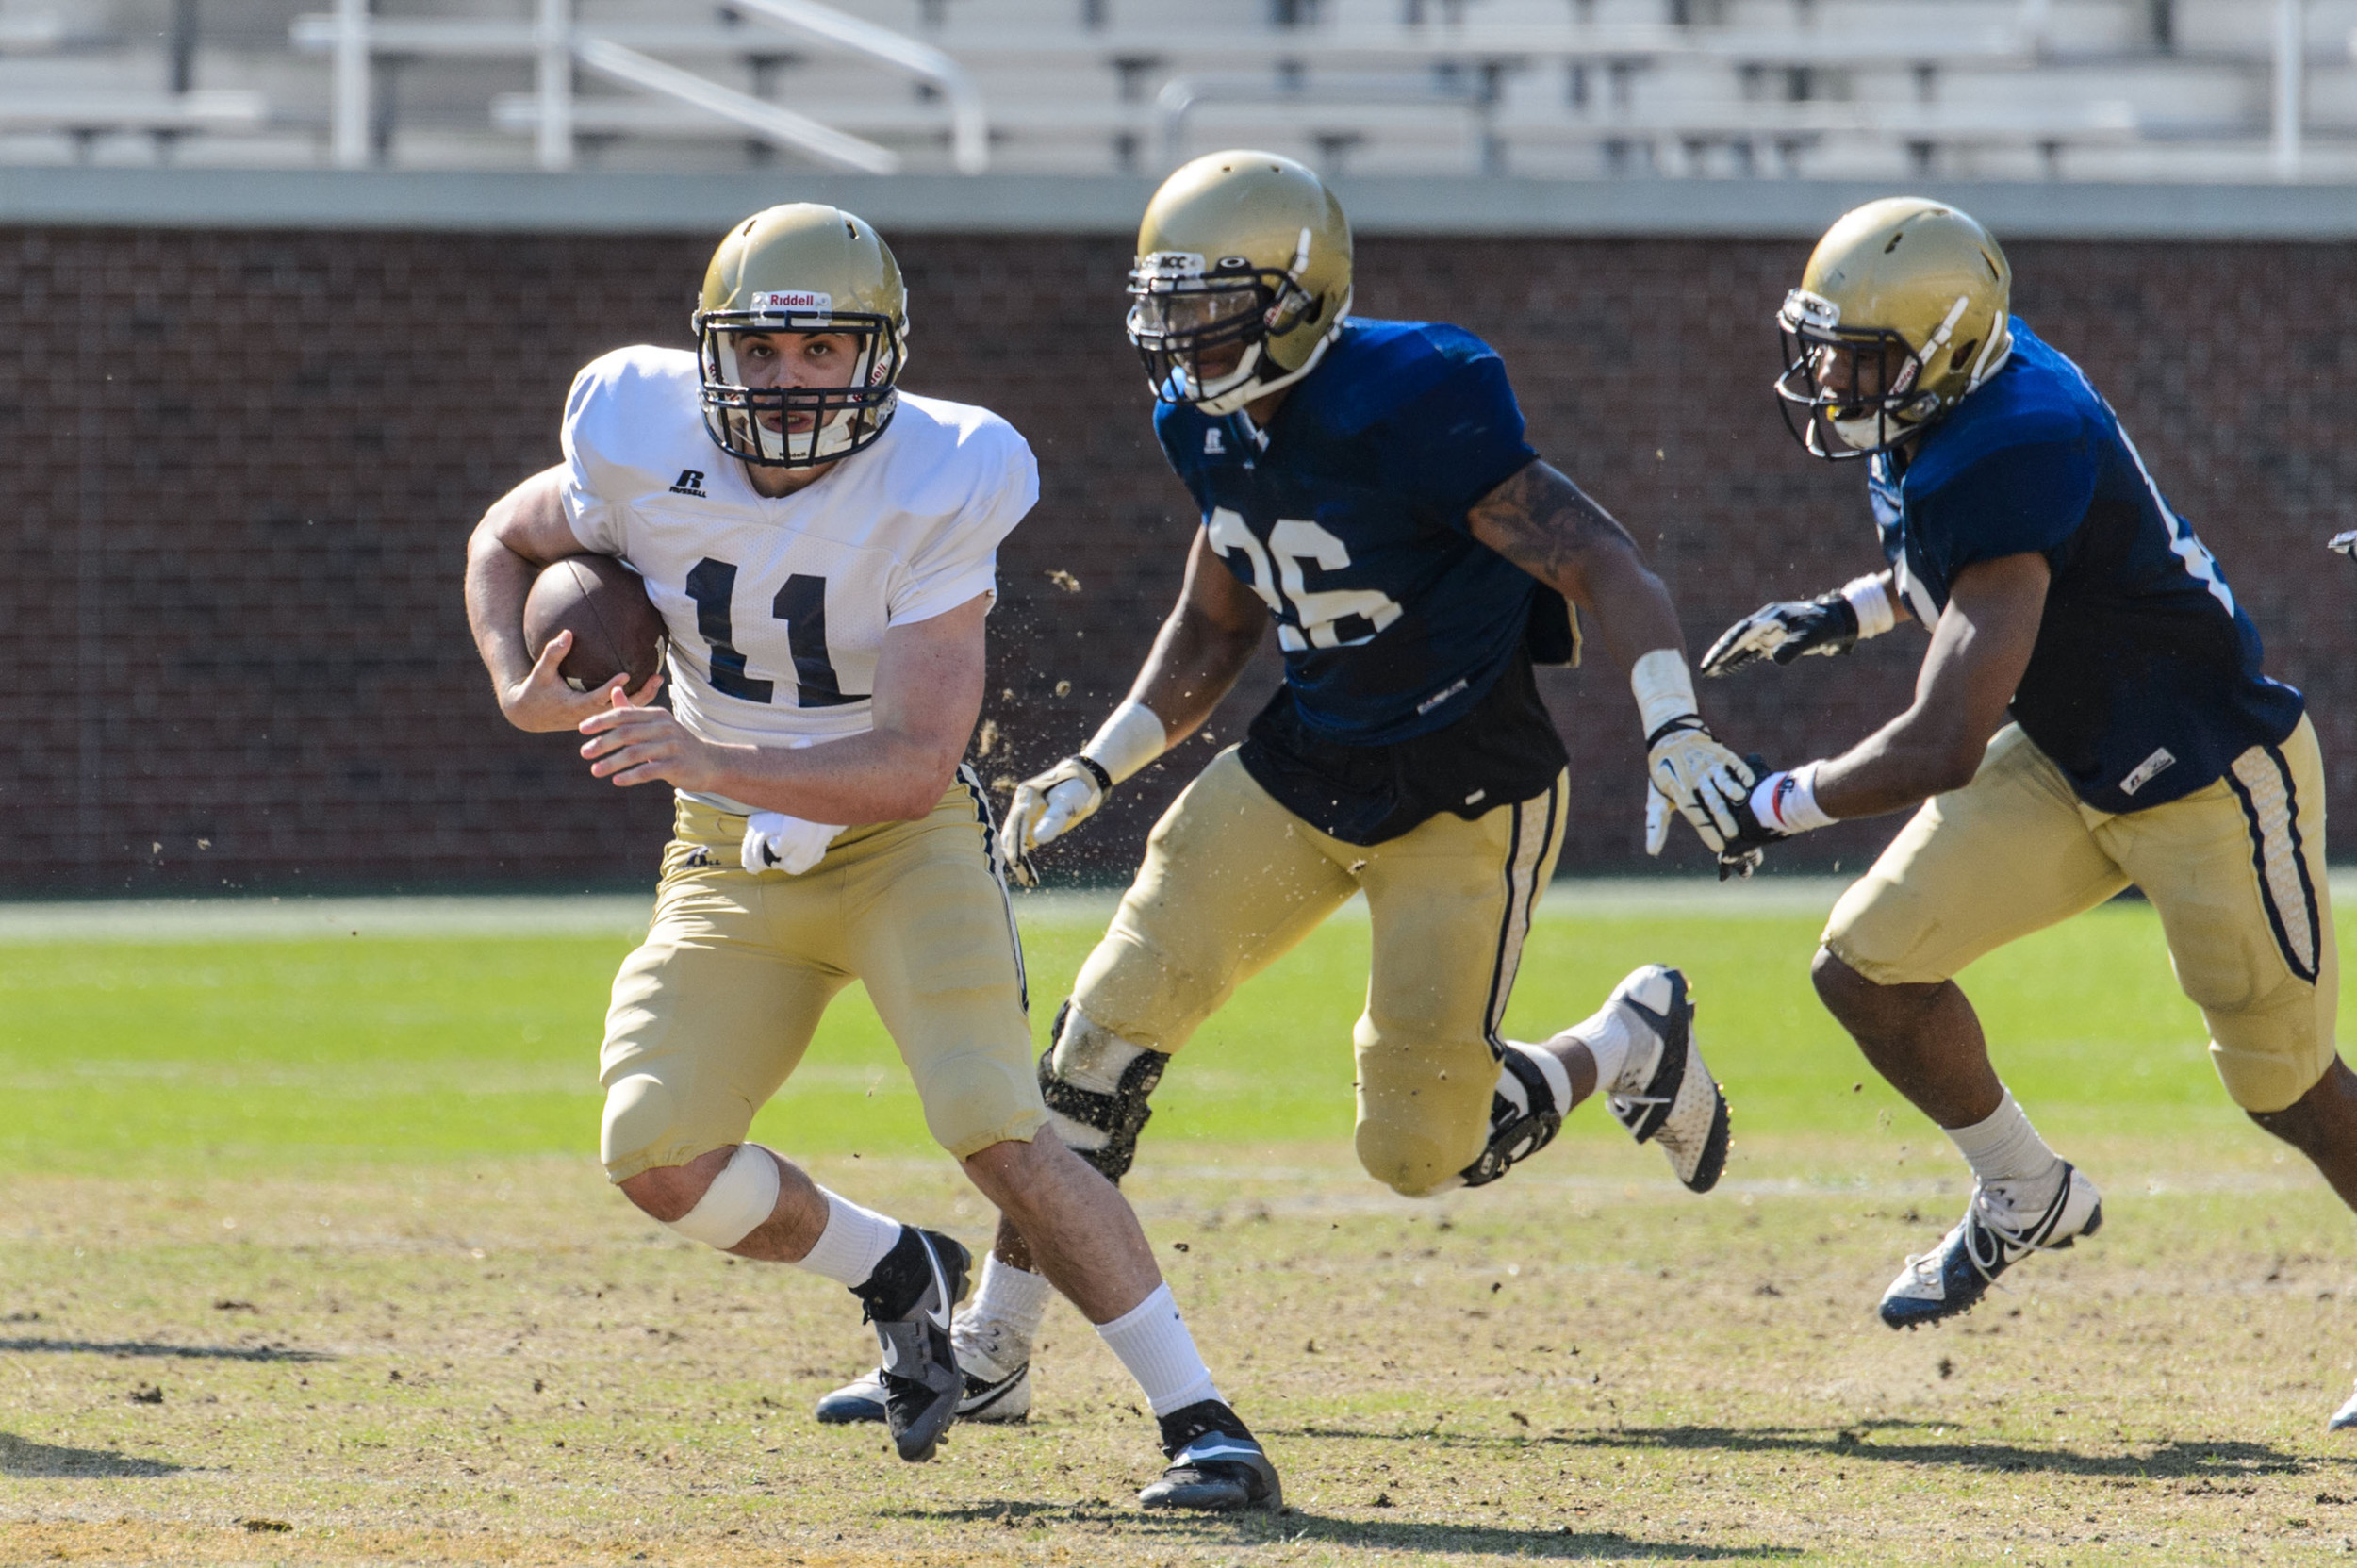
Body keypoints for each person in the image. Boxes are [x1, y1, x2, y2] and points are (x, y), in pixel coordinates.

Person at [818, 151, 1751, 1428]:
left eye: (1212, 304)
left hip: (1466, 789)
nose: (1182, 337)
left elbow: (1599, 558)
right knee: (1099, 1040)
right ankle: (995, 1350)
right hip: (1304, 765)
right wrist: (1104, 759)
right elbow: (1218, 623)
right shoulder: (1194, 417)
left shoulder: (1421, 393)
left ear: (1302, 297)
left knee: (1424, 1150)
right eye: (1169, 305)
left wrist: (1675, 723)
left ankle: (1623, 1042)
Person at [461, 203, 1281, 1507]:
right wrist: (517, 684)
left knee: (995, 1127)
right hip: (724, 854)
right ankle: (895, 1274)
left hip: (900, 842)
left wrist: (704, 755)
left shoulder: (945, 471)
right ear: (712, 355)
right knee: (655, 1151)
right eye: (764, 352)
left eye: (823, 351)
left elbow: (909, 760)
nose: (791, 381)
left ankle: (1202, 1423)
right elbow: (506, 541)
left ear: (878, 357)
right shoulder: (632, 427)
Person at [1700, 196, 2357, 1430]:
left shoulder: (2013, 436)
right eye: (1827, 345)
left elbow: (1944, 741)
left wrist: (1772, 802)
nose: (1831, 377)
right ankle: (2023, 1191)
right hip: (2071, 753)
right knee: (1865, 968)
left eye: (1858, 354)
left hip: (2210, 771)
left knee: (2291, 1090)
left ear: (1940, 347)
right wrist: (1847, 612)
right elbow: (1961, 557)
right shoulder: (1952, 396)